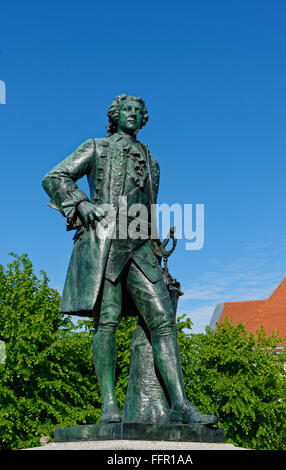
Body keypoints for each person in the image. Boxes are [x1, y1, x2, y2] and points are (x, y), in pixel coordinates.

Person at [42, 94, 217, 425]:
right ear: (115, 115)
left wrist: (157, 248)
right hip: (106, 243)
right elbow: (54, 177)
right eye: (128, 110)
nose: (134, 115)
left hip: (140, 245)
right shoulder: (95, 147)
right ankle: (109, 405)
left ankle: (179, 403)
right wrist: (80, 203)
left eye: (139, 111)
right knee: (106, 321)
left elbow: (149, 210)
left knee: (163, 319)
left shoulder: (151, 160)